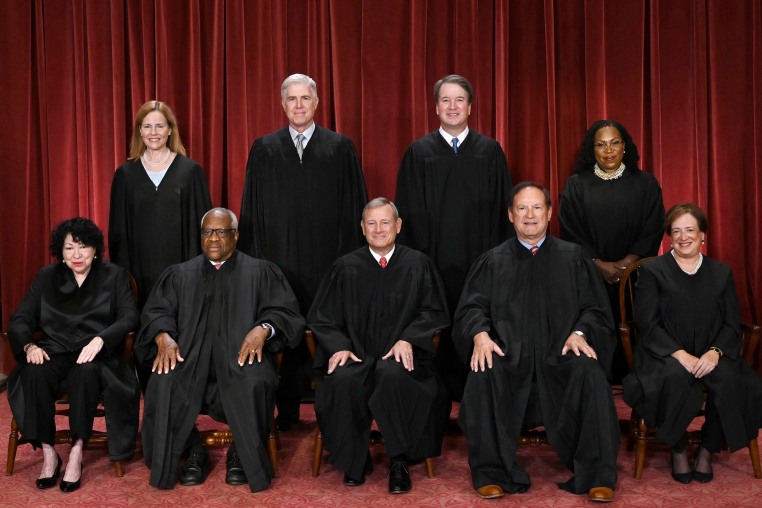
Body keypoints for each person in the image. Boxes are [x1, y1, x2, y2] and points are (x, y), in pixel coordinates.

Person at [454, 182, 619, 502]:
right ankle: (490, 472)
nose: (530, 215)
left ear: (549, 213)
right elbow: (471, 307)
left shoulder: (574, 258)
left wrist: (580, 333)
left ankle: (598, 474)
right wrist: (481, 335)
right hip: (508, 356)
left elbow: (596, 309)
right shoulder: (493, 260)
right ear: (510, 215)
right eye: (522, 208)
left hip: (561, 354)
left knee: (591, 373)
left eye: (537, 208)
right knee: (483, 371)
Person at [135, 208, 305, 493]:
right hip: (188, 360)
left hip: (241, 360)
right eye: (207, 232)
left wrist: (264, 328)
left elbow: (286, 313)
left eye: (221, 232)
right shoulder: (179, 275)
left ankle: (242, 451)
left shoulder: (261, 271)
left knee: (256, 381)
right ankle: (193, 450)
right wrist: (163, 336)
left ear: (235, 235)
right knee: (162, 382)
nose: (213, 238)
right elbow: (156, 312)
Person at [238, 73, 368, 429]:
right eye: (291, 99)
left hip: (328, 259)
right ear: (282, 104)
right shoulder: (264, 148)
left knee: (327, 327)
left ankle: (330, 408)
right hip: (278, 261)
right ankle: (287, 407)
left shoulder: (340, 147)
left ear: (316, 103)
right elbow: (252, 210)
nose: (298, 105)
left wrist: (349, 261)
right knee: (281, 324)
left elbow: (354, 207)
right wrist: (257, 263)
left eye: (305, 99)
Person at [308, 198, 450, 494]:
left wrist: (409, 338)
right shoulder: (345, 267)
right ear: (362, 228)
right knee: (344, 379)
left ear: (398, 226)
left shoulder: (418, 264)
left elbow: (434, 312)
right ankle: (354, 460)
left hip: (401, 357)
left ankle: (399, 460)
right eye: (371, 223)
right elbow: (321, 318)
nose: (378, 229)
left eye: (385, 222)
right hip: (357, 354)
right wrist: (339, 347)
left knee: (393, 375)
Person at [623, 203, 762, 484]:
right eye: (676, 231)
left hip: (712, 351)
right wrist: (680, 354)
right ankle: (677, 449)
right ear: (668, 237)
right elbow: (647, 323)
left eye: (690, 230)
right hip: (664, 353)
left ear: (702, 235)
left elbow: (731, 323)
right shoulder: (653, 272)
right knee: (672, 377)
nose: (683, 237)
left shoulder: (721, 273)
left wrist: (715, 352)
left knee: (734, 380)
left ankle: (707, 449)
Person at [395, 74, 512, 405]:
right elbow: (407, 213)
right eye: (445, 100)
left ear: (470, 106)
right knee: (437, 327)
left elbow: (506, 210)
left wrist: (500, 261)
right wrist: (417, 264)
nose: (452, 106)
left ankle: (478, 400)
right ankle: (437, 402)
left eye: (459, 99)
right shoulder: (419, 153)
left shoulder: (489, 152)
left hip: (481, 262)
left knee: (480, 322)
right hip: (434, 263)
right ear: (435, 107)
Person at [6, 217, 140, 493]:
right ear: (61, 252)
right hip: (54, 350)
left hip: (95, 353)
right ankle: (48, 452)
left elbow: (129, 316)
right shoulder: (46, 277)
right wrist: (30, 347)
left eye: (83, 247)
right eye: (69, 249)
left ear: (95, 249)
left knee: (86, 371)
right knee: (34, 371)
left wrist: (103, 339)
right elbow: (20, 319)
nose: (77, 255)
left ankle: (77, 450)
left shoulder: (113, 275)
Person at [559, 119, 664, 383]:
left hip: (636, 277)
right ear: (591, 150)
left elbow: (653, 226)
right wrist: (598, 263)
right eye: (601, 144)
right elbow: (570, 229)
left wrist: (628, 263)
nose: (608, 150)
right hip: (589, 274)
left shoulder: (645, 183)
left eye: (614, 142)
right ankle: (596, 378)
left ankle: (638, 379)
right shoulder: (576, 185)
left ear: (625, 146)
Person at [109, 100, 212, 310]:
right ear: (139, 130)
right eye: (147, 126)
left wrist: (197, 274)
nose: (153, 132)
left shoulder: (190, 171)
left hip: (183, 272)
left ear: (170, 130)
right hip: (140, 273)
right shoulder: (125, 175)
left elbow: (204, 228)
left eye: (160, 126)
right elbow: (118, 233)